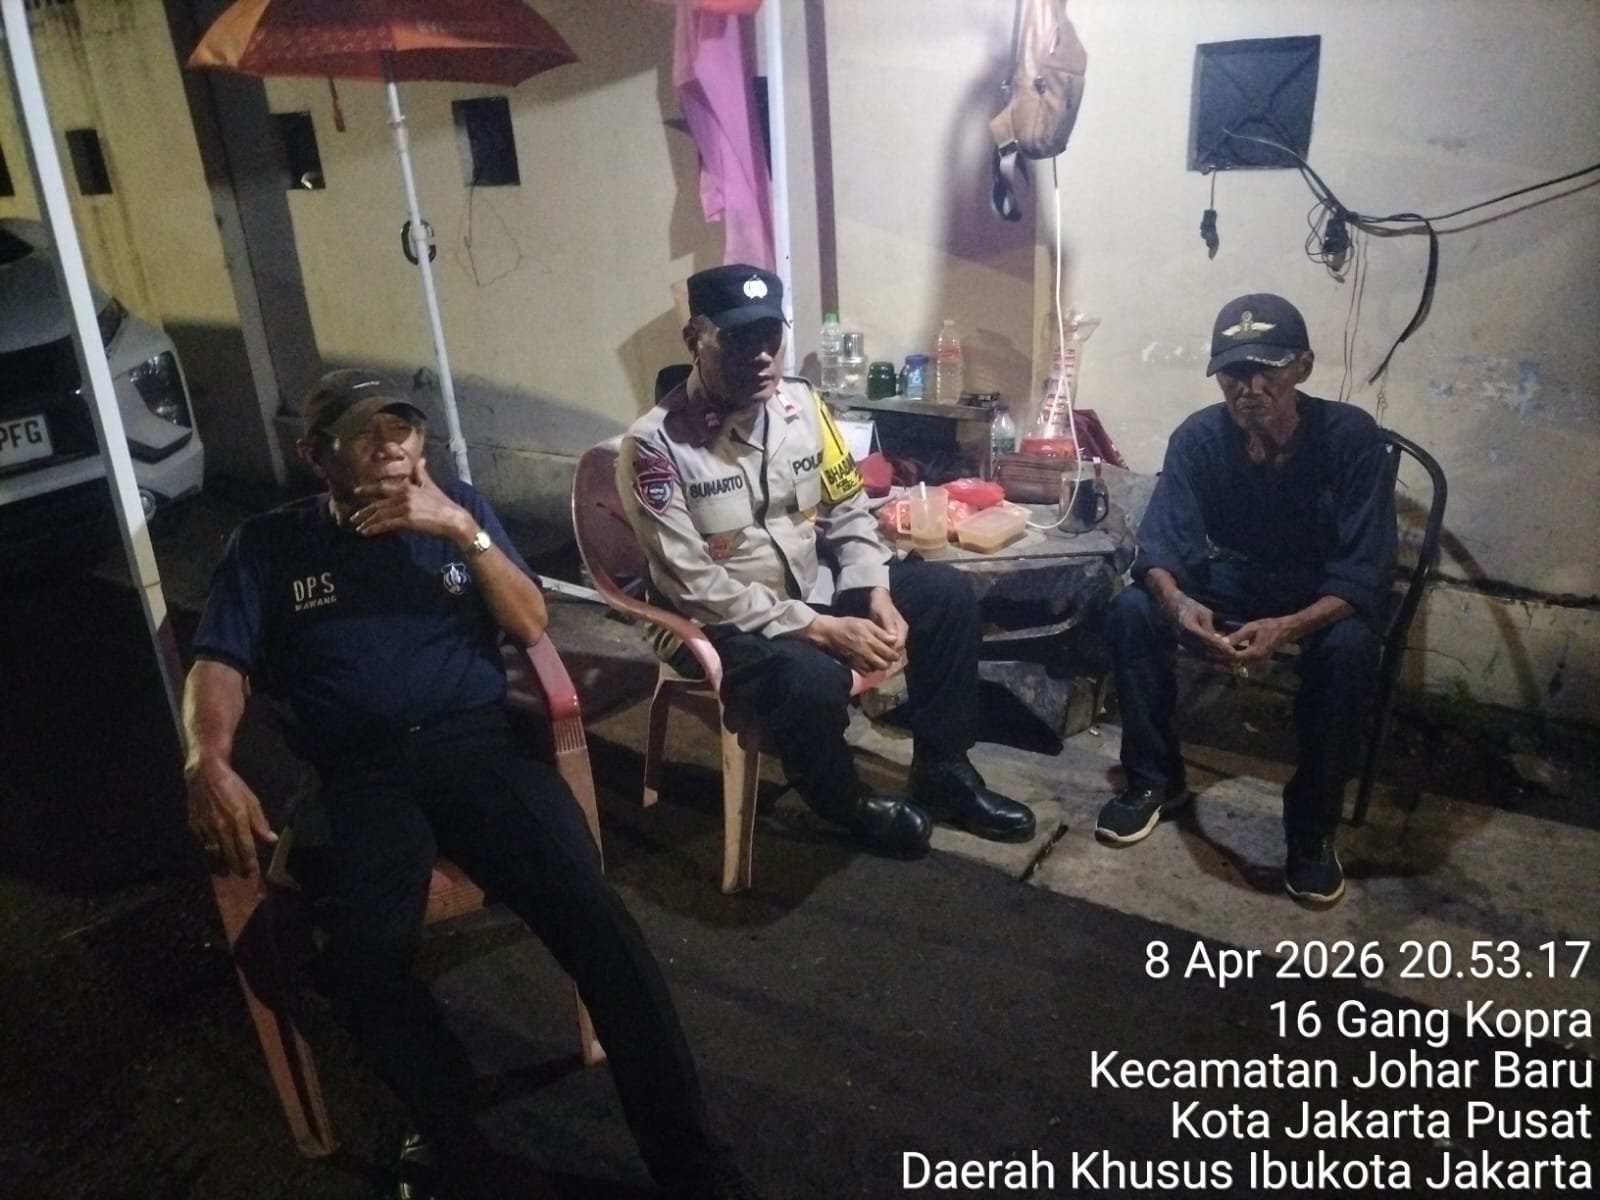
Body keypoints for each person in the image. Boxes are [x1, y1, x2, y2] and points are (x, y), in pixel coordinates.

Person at [183, 369, 758, 1200]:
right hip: (358, 773)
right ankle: (446, 1117)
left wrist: (462, 532)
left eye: (403, 428)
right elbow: (220, 661)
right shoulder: (269, 545)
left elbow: (530, 623)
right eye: (366, 433)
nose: (391, 446)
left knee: (597, 918)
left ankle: (692, 1163)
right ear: (316, 455)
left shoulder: (458, 509)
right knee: (361, 957)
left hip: (477, 749)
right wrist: (209, 758)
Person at [616, 264, 1037, 859]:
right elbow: (692, 583)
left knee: (945, 595)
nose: (762, 355)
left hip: (809, 588)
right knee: (810, 676)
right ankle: (840, 801)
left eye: (771, 335)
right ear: (695, 340)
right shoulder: (654, 446)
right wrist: (816, 627)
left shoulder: (804, 406)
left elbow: (847, 508)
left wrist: (874, 588)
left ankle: (944, 768)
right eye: (738, 338)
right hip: (717, 622)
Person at [1095, 294, 1397, 908]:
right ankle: (1154, 779)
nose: (1251, 388)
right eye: (1234, 372)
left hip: (1315, 591)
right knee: (1132, 610)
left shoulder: (1350, 438)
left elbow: (1365, 571)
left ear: (1303, 368)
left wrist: (1288, 627)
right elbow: (1160, 549)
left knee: (1349, 648)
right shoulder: (1200, 438)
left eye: (1269, 369)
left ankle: (1312, 827)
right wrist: (1180, 606)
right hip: (1233, 577)